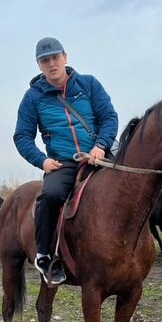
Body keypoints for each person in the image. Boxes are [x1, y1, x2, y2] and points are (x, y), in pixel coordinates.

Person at [14, 37, 119, 286]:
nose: (52, 63)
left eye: (55, 57)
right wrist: (42, 161)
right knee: (50, 196)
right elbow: (22, 136)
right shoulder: (33, 97)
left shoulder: (89, 84)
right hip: (64, 162)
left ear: (65, 57)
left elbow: (109, 117)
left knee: (131, 187)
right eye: (45, 60)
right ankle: (45, 256)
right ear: (39, 65)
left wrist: (101, 145)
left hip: (98, 155)